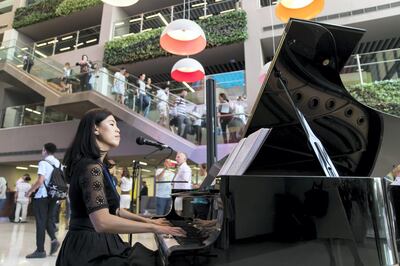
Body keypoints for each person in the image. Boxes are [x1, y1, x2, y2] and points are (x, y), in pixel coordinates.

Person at [56, 108, 185, 266]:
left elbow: (115, 210)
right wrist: (154, 228)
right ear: (95, 129)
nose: (118, 129)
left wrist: (149, 221)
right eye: (112, 124)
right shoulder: (91, 168)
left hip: (99, 242)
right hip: (90, 249)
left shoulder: (98, 166)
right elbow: (102, 222)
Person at [26, 142, 61, 258]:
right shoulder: (58, 163)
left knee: (41, 222)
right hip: (54, 196)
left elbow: (40, 181)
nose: (42, 151)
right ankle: (54, 240)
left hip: (42, 196)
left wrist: (30, 191)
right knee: (47, 221)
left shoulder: (43, 162)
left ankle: (40, 250)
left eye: (42, 150)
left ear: (45, 150)